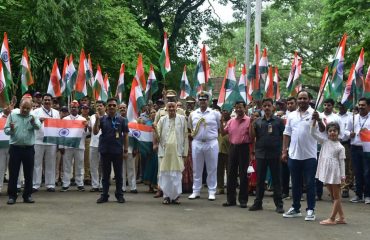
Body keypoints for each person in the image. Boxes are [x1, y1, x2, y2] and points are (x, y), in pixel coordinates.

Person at [282, 90, 318, 221]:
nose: (302, 100)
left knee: (309, 183)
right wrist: (284, 151)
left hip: (309, 155)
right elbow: (287, 134)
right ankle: (296, 208)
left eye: (305, 98)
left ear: (309, 100)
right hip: (294, 155)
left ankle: (310, 210)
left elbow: (323, 131)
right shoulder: (291, 115)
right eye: (300, 98)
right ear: (297, 100)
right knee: (295, 183)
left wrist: (318, 120)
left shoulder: (315, 114)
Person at [249, 98, 285, 213]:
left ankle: (279, 204)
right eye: (265, 106)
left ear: (273, 107)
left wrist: (283, 151)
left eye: (269, 105)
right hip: (261, 154)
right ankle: (258, 203)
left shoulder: (279, 121)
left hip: (275, 154)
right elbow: (252, 136)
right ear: (262, 108)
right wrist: (251, 124)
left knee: (276, 180)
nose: (267, 108)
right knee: (260, 180)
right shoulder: (258, 121)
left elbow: (283, 136)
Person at [5, 97, 41, 204]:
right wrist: (11, 130)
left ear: (30, 108)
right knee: (13, 173)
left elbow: (38, 127)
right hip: (15, 148)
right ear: (20, 106)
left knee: (28, 173)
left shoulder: (33, 116)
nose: (25, 110)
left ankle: (27, 195)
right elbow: (6, 130)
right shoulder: (12, 115)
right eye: (23, 108)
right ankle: (12, 196)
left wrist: (34, 122)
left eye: (28, 108)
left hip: (29, 149)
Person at [310, 121, 346, 225]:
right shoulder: (324, 141)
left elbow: (342, 162)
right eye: (330, 131)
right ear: (327, 132)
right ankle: (342, 217)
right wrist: (313, 122)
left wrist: (343, 176)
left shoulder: (340, 147)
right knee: (333, 196)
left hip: (335, 173)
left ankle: (332, 218)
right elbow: (312, 133)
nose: (332, 133)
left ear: (338, 132)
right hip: (326, 171)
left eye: (334, 131)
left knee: (336, 196)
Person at [93, 98, 129, 203]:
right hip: (105, 150)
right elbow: (95, 132)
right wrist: (97, 120)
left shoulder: (122, 120)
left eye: (114, 105)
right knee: (105, 175)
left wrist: (126, 150)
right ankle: (104, 195)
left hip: (117, 151)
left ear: (117, 107)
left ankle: (119, 195)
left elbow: (126, 135)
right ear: (107, 107)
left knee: (118, 175)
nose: (112, 107)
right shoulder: (102, 119)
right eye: (110, 105)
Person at [188, 91, 221, 201]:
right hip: (197, 142)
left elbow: (219, 127)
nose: (202, 101)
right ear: (198, 101)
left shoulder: (215, 113)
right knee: (197, 168)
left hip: (211, 142)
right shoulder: (193, 114)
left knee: (212, 168)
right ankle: (196, 191)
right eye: (201, 99)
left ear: (208, 100)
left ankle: (212, 191)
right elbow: (190, 128)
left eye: (205, 99)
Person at [155, 101, 188, 204]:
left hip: (177, 152)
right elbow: (158, 135)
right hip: (164, 153)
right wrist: (155, 130)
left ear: (176, 108)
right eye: (169, 107)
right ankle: (166, 196)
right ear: (166, 108)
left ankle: (176, 196)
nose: (171, 109)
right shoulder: (162, 120)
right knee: (165, 175)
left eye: (173, 107)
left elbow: (185, 136)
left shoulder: (182, 119)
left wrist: (185, 153)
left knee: (176, 175)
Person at [221, 101, 251, 208]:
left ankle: (243, 200)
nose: (238, 109)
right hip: (232, 147)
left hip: (244, 148)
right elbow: (223, 133)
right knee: (231, 174)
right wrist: (221, 121)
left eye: (240, 107)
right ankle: (231, 200)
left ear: (245, 108)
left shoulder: (249, 120)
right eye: (236, 107)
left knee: (243, 174)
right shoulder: (231, 121)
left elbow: (252, 137)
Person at [32, 93, 60, 192]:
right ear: (42, 101)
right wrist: (38, 120)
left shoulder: (56, 113)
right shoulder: (35, 111)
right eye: (45, 100)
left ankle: (50, 184)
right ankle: (35, 185)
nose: (47, 101)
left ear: (52, 101)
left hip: (51, 141)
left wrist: (58, 143)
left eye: (49, 100)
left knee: (51, 163)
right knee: (37, 163)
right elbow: (32, 124)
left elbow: (58, 128)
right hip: (38, 140)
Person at [60, 100, 89, 192]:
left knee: (79, 165)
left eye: (75, 107)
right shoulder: (65, 119)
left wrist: (86, 127)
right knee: (67, 165)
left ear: (78, 109)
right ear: (70, 108)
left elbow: (86, 133)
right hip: (67, 146)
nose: (73, 109)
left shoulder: (83, 120)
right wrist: (61, 146)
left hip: (79, 145)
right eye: (72, 107)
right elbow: (61, 133)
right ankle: (65, 184)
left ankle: (80, 183)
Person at [347, 97, 370, 204]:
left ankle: (367, 195)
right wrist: (349, 134)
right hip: (355, 148)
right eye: (359, 105)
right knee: (357, 172)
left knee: (367, 172)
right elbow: (346, 130)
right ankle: (358, 195)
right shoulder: (353, 117)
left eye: (363, 105)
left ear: (368, 106)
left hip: (367, 149)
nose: (360, 107)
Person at [336, 102, 353, 198]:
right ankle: (336, 187)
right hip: (335, 144)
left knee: (345, 166)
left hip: (345, 144)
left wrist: (349, 134)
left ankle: (345, 188)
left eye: (343, 105)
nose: (341, 107)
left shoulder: (350, 117)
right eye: (340, 105)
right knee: (336, 165)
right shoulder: (335, 117)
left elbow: (349, 130)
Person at [119, 103, 137, 193]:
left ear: (127, 108)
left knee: (131, 168)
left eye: (124, 107)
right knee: (121, 169)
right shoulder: (117, 120)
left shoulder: (133, 121)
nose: (122, 109)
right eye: (121, 108)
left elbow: (137, 136)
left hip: (131, 148)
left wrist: (135, 148)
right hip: (119, 148)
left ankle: (133, 187)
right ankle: (122, 187)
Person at [89, 100, 105, 192]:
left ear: (104, 107)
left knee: (103, 166)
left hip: (104, 144)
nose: (99, 107)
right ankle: (95, 185)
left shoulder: (107, 117)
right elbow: (91, 130)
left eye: (101, 106)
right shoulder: (92, 117)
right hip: (93, 144)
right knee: (93, 165)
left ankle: (102, 184)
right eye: (98, 106)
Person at [216, 109, 231, 195]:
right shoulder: (219, 123)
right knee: (219, 170)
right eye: (223, 112)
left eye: (226, 112)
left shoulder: (231, 122)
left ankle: (230, 187)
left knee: (229, 170)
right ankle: (220, 187)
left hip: (229, 150)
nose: (224, 113)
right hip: (219, 150)